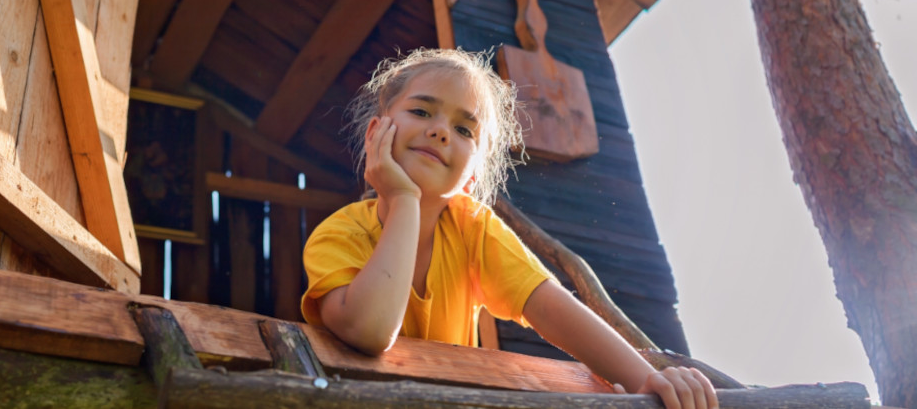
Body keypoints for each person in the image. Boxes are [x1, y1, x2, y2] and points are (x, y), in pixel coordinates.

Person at [301, 48, 718, 409]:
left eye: (464, 129)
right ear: (377, 133)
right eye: (421, 111)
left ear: (471, 176)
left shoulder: (472, 228)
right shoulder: (338, 236)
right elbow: (370, 331)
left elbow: (550, 306)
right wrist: (405, 200)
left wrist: (647, 378)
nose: (440, 130)